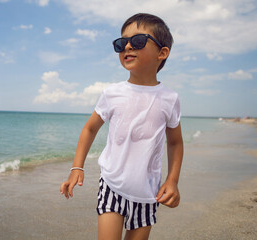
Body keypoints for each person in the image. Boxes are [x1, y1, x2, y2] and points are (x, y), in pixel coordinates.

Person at [60, 13, 183, 240]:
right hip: (112, 185)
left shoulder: (169, 99)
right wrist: (76, 167)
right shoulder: (112, 93)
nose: (127, 46)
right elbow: (90, 129)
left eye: (137, 41)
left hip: (148, 193)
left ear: (162, 53)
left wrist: (172, 180)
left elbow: (175, 142)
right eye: (121, 42)